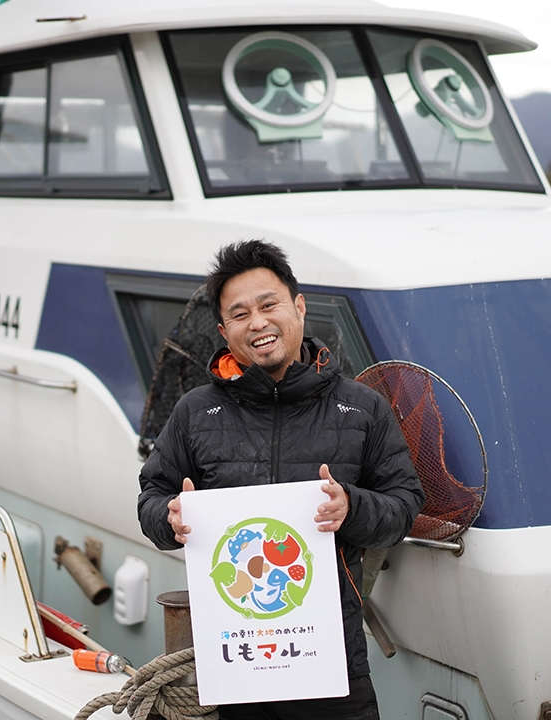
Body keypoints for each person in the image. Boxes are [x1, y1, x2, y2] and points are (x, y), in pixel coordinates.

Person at [137, 239, 425, 720]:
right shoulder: (195, 411)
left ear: (299, 307)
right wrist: (170, 518)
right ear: (226, 330)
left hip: (331, 654)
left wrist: (351, 507)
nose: (258, 322)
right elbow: (152, 499)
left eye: (269, 305)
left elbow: (404, 505)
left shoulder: (362, 407)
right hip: (236, 658)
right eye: (240, 313)